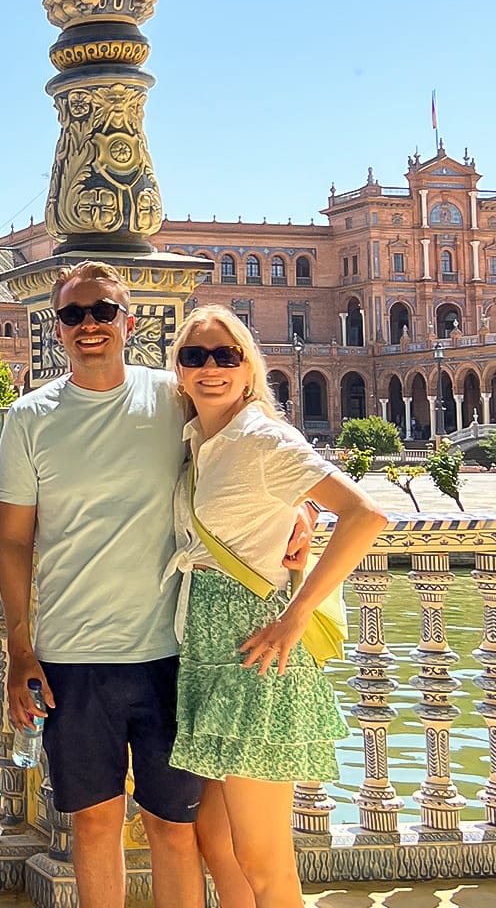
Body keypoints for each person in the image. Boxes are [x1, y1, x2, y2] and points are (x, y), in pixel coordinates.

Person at [0, 260, 207, 908]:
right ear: (58, 329)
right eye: (74, 314)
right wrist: (19, 650)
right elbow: (12, 539)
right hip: (71, 658)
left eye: (102, 311)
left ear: (128, 321)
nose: (89, 324)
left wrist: (305, 514)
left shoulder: (173, 399)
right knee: (94, 823)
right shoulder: (28, 418)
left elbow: (249, 456)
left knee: (175, 829)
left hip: (168, 652)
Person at [166, 306, 384, 908]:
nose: (210, 368)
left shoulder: (262, 437)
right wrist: (302, 513)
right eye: (195, 356)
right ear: (179, 371)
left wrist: (296, 615)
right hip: (208, 652)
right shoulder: (196, 441)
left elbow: (366, 516)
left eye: (226, 356)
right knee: (215, 838)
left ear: (248, 367)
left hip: (257, 656)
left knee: (262, 857)